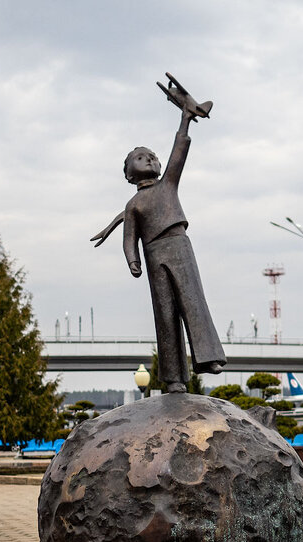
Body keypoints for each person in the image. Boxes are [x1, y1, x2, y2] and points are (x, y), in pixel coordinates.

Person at [92, 79, 226, 393]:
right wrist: (132, 260)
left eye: (151, 155)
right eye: (140, 157)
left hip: (178, 245)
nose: (149, 159)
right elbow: (130, 238)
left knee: (193, 301)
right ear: (129, 174)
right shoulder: (133, 204)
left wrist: (186, 117)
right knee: (164, 313)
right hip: (154, 255)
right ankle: (174, 378)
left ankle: (208, 358)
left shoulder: (168, 185)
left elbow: (178, 152)